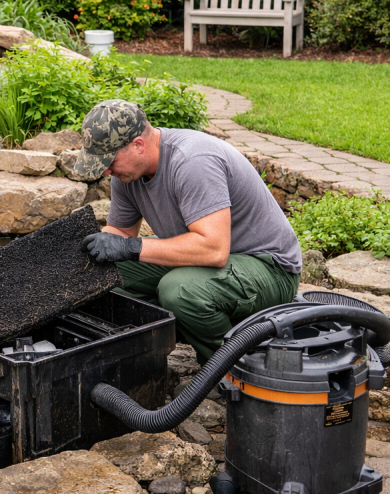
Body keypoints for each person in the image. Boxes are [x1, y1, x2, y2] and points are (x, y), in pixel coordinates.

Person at [78, 99, 301, 362]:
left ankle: (231, 367)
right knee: (98, 275)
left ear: (138, 145)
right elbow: (122, 232)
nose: (105, 171)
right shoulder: (127, 175)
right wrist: (93, 249)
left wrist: (130, 248)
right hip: (208, 260)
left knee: (178, 290)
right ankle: (166, 338)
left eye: (110, 161)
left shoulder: (192, 161)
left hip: (269, 268)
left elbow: (214, 250)